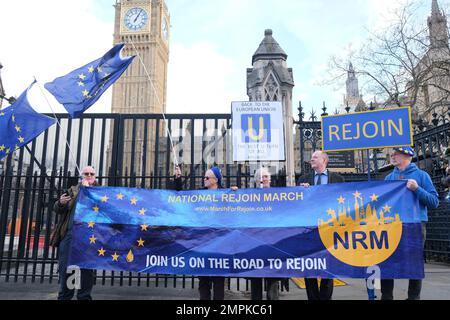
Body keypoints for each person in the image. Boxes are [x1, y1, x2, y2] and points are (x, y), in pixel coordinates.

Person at [381, 147, 439, 300]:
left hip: (416, 225)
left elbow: (434, 202)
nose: (392, 157)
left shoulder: (421, 175)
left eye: (396, 154)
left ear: (407, 156)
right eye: (391, 155)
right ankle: (386, 296)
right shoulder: (388, 178)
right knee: (386, 261)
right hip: (392, 225)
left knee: (414, 263)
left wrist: (417, 189)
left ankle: (413, 297)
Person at [296, 150, 345, 300]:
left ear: (324, 160)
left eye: (315, 157)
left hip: (329, 228)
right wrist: (301, 192)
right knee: (309, 265)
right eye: (311, 157)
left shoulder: (338, 179)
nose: (311, 159)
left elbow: (343, 201)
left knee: (328, 265)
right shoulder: (304, 179)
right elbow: (297, 204)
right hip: (309, 230)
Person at [51, 166, 99, 300]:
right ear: (81, 176)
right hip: (70, 235)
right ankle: (65, 296)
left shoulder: (100, 192)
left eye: (91, 174)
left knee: (86, 270)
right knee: (67, 268)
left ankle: (84, 296)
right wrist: (60, 203)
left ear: (95, 176)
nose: (89, 175)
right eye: (86, 173)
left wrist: (87, 191)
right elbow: (58, 209)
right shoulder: (72, 190)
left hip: (90, 237)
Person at [249, 167, 285, 300]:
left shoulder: (279, 195)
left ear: (270, 179)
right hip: (255, 242)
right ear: (256, 180)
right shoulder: (249, 196)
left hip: (273, 241)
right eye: (260, 177)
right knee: (256, 278)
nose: (263, 179)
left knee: (272, 278)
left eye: (265, 176)